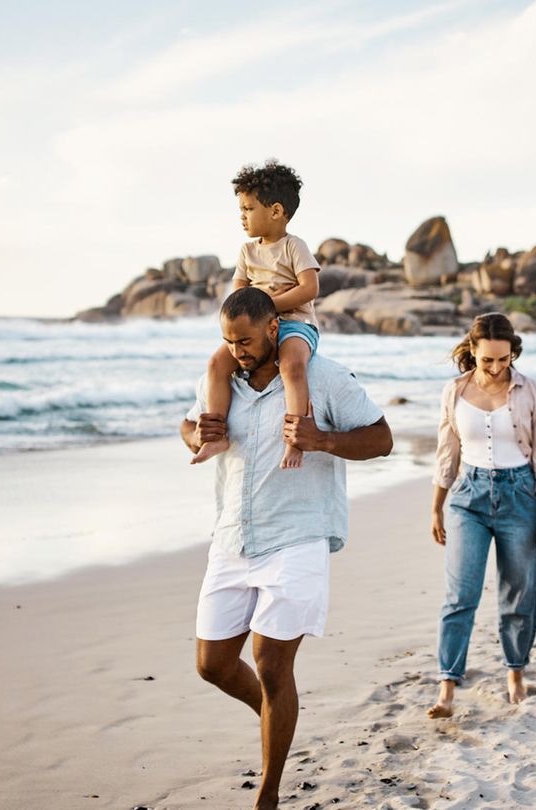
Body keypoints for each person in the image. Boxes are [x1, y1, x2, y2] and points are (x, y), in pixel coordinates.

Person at [182, 287, 392, 810]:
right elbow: (190, 425)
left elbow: (382, 438)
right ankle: (278, 713)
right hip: (233, 537)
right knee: (212, 664)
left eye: (247, 340)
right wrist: (193, 434)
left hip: (297, 536)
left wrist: (323, 440)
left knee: (272, 663)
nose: (238, 351)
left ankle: (269, 795)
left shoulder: (323, 376)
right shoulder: (223, 379)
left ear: (274, 328)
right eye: (229, 341)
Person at [427, 313, 536, 719]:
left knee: (519, 592)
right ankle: (447, 685)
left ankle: (515, 673)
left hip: (521, 496)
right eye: (488, 360)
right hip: (468, 496)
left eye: (504, 359)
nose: (498, 368)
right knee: (460, 594)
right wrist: (436, 505)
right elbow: (447, 452)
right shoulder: (453, 391)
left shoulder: (531, 391)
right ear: (473, 352)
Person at [191, 159, 321, 470]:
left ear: (276, 211)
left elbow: (309, 288)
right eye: (241, 210)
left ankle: (295, 440)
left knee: (291, 365)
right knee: (216, 363)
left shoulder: (294, 246)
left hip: (294, 325)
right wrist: (248, 317)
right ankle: (217, 434)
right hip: (257, 327)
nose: (242, 217)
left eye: (248, 209)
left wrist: (267, 308)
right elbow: (238, 295)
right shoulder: (247, 252)